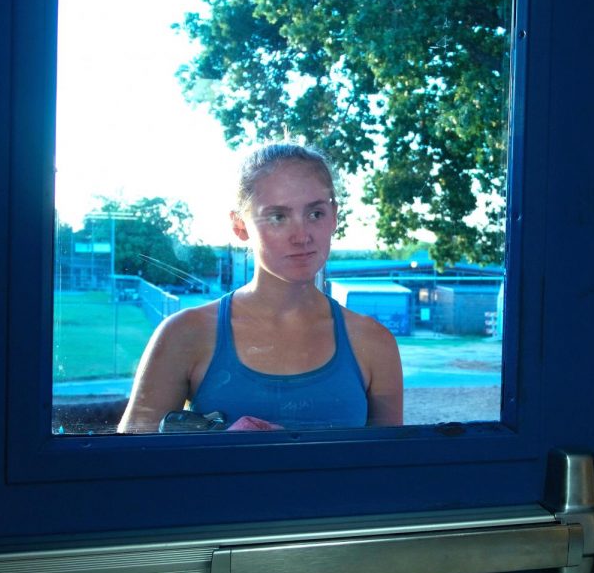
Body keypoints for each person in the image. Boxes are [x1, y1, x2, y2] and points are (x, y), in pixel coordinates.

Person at [117, 143, 403, 433]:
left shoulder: (374, 344)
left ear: (335, 216)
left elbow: (392, 470)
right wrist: (221, 448)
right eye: (278, 217)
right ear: (240, 225)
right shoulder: (185, 334)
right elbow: (127, 466)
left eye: (315, 213)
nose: (302, 236)